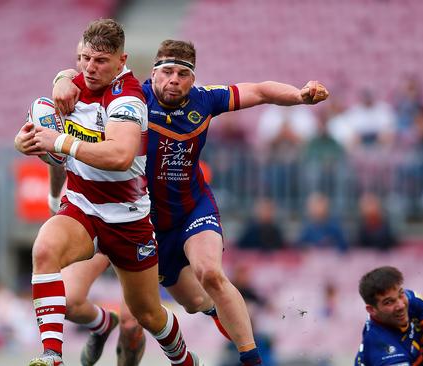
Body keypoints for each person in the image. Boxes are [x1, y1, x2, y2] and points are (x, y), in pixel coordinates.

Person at [53, 39, 329, 365]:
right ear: (153, 74)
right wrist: (61, 78)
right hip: (132, 218)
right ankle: (108, 325)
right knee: (137, 317)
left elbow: (259, 90)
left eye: (183, 74)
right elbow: (84, 73)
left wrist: (299, 95)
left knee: (210, 274)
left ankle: (252, 359)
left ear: (193, 79)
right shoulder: (130, 99)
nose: (174, 80)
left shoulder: (205, 100)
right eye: (167, 71)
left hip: (190, 210)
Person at [14, 20, 200, 366]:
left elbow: (119, 156)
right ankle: (52, 355)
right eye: (84, 58)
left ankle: (186, 360)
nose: (89, 67)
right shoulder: (70, 86)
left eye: (100, 61)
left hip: (127, 219)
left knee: (147, 316)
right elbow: (47, 143)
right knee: (44, 250)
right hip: (83, 208)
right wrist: (23, 141)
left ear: (121, 60)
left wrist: (60, 141)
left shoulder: (127, 97)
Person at [355, 266, 423, 366]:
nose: (401, 305)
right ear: (372, 310)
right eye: (389, 302)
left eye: (400, 293)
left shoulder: (411, 300)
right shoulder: (383, 349)